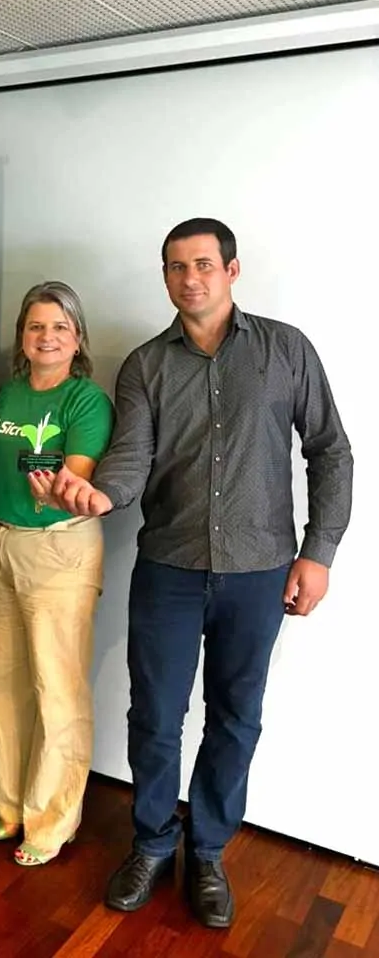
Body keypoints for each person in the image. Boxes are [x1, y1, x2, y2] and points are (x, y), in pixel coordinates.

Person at [39, 218, 353, 928]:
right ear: (165, 276)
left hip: (259, 571)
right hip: (169, 570)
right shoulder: (146, 365)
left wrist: (319, 551)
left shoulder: (286, 350)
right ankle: (152, 843)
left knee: (235, 717)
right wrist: (99, 495)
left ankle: (208, 851)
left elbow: (330, 451)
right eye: (176, 267)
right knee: (154, 716)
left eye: (203, 264)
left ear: (231, 271)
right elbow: (130, 457)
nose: (190, 278)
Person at [0, 282, 114, 867]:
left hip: (58, 550)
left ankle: (51, 820)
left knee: (57, 689)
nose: (47, 337)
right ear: (21, 337)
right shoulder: (8, 393)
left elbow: (77, 472)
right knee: (2, 680)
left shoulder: (86, 401)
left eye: (60, 327)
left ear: (77, 338)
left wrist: (59, 488)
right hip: (0, 541)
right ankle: (10, 805)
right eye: (36, 326)